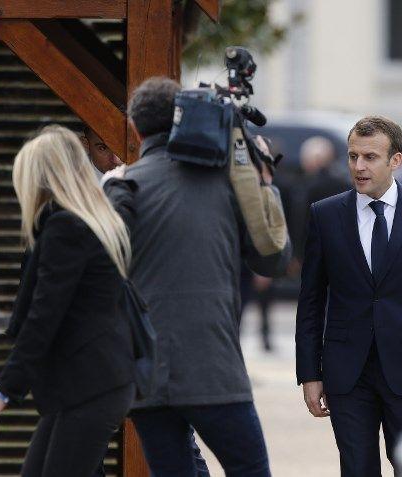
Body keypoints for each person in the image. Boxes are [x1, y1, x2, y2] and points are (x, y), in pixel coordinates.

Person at [104, 77, 290, 476]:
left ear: (136, 130)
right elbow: (273, 260)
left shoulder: (122, 186)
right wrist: (265, 184)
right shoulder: (227, 181)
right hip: (215, 370)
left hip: (148, 375)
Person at [295, 115, 402, 475]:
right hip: (347, 373)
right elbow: (311, 301)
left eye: (370, 157)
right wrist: (309, 373)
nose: (359, 166)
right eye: (353, 156)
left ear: (396, 160)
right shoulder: (326, 215)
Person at [0, 125, 135, 476]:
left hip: (90, 385)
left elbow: (42, 317)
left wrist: (2, 392)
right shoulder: (87, 220)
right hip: (89, 384)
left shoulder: (67, 227)